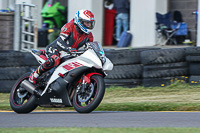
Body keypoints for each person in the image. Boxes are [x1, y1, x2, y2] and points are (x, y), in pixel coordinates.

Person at [29, 9, 95, 84]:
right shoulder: (69, 26)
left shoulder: (89, 35)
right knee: (54, 60)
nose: (89, 25)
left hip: (70, 53)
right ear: (79, 21)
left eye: (90, 23)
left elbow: (90, 48)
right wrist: (68, 48)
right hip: (56, 49)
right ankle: (34, 75)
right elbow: (60, 41)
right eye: (87, 23)